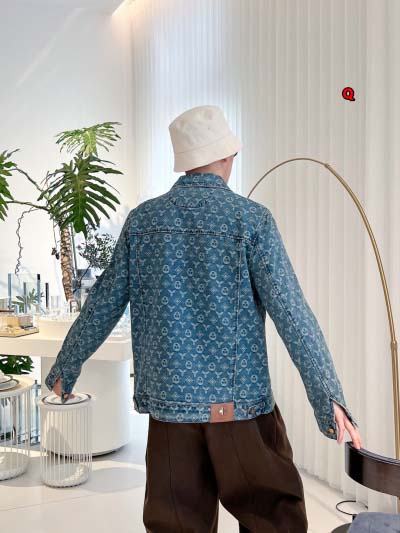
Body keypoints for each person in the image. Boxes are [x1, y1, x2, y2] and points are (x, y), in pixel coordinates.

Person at [45, 104, 362, 532]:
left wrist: (66, 367)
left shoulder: (143, 222)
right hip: (240, 410)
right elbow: (291, 312)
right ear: (228, 156)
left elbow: (103, 301)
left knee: (177, 524)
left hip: (170, 412)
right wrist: (329, 398)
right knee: (274, 518)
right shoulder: (250, 220)